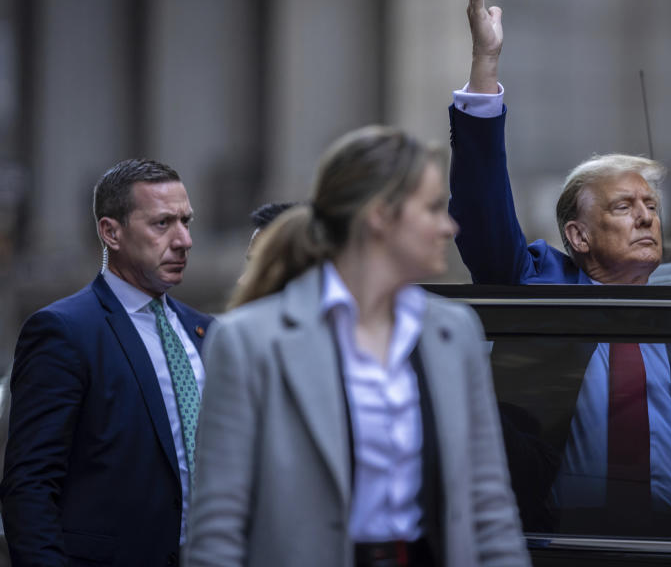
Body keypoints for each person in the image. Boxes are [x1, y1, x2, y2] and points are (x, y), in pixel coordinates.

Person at [184, 126, 529, 567]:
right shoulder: (249, 341)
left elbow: (490, 509)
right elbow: (218, 530)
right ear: (379, 217)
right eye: (432, 208)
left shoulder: (455, 332)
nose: (449, 226)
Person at [447, 0, 671, 530]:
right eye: (623, 207)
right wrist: (485, 63)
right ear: (578, 236)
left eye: (651, 207)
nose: (645, 218)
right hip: (562, 542)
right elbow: (480, 208)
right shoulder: (539, 283)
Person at [1, 159, 212, 566]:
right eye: (162, 224)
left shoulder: (207, 332)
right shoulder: (63, 332)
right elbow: (29, 487)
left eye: (187, 221)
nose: (184, 239)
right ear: (110, 232)